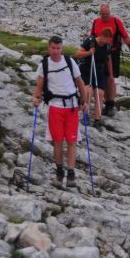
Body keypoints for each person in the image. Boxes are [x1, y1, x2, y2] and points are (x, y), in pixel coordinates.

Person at [33, 36, 89, 189]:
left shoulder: (70, 62)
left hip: (71, 106)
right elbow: (39, 85)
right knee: (58, 141)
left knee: (71, 141)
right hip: (55, 107)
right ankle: (59, 172)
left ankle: (71, 173)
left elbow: (80, 82)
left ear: (61, 48)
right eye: (53, 48)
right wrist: (36, 98)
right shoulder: (44, 65)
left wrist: (85, 102)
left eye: (58, 48)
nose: (56, 51)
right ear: (48, 48)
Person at [89, 3, 130, 116]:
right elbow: (92, 36)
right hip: (100, 53)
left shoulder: (116, 21)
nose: (105, 16)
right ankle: (104, 104)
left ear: (110, 12)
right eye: (103, 14)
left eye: (106, 14)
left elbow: (124, 35)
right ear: (100, 13)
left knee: (110, 78)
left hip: (113, 52)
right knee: (102, 76)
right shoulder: (96, 22)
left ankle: (110, 104)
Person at [75, 28, 113, 128]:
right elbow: (77, 54)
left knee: (100, 94)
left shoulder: (107, 46)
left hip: (99, 70)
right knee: (88, 91)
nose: (106, 41)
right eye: (106, 39)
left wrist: (111, 74)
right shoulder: (90, 42)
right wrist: (88, 53)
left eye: (108, 40)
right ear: (102, 36)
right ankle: (85, 114)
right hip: (87, 69)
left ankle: (97, 119)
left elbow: (108, 59)